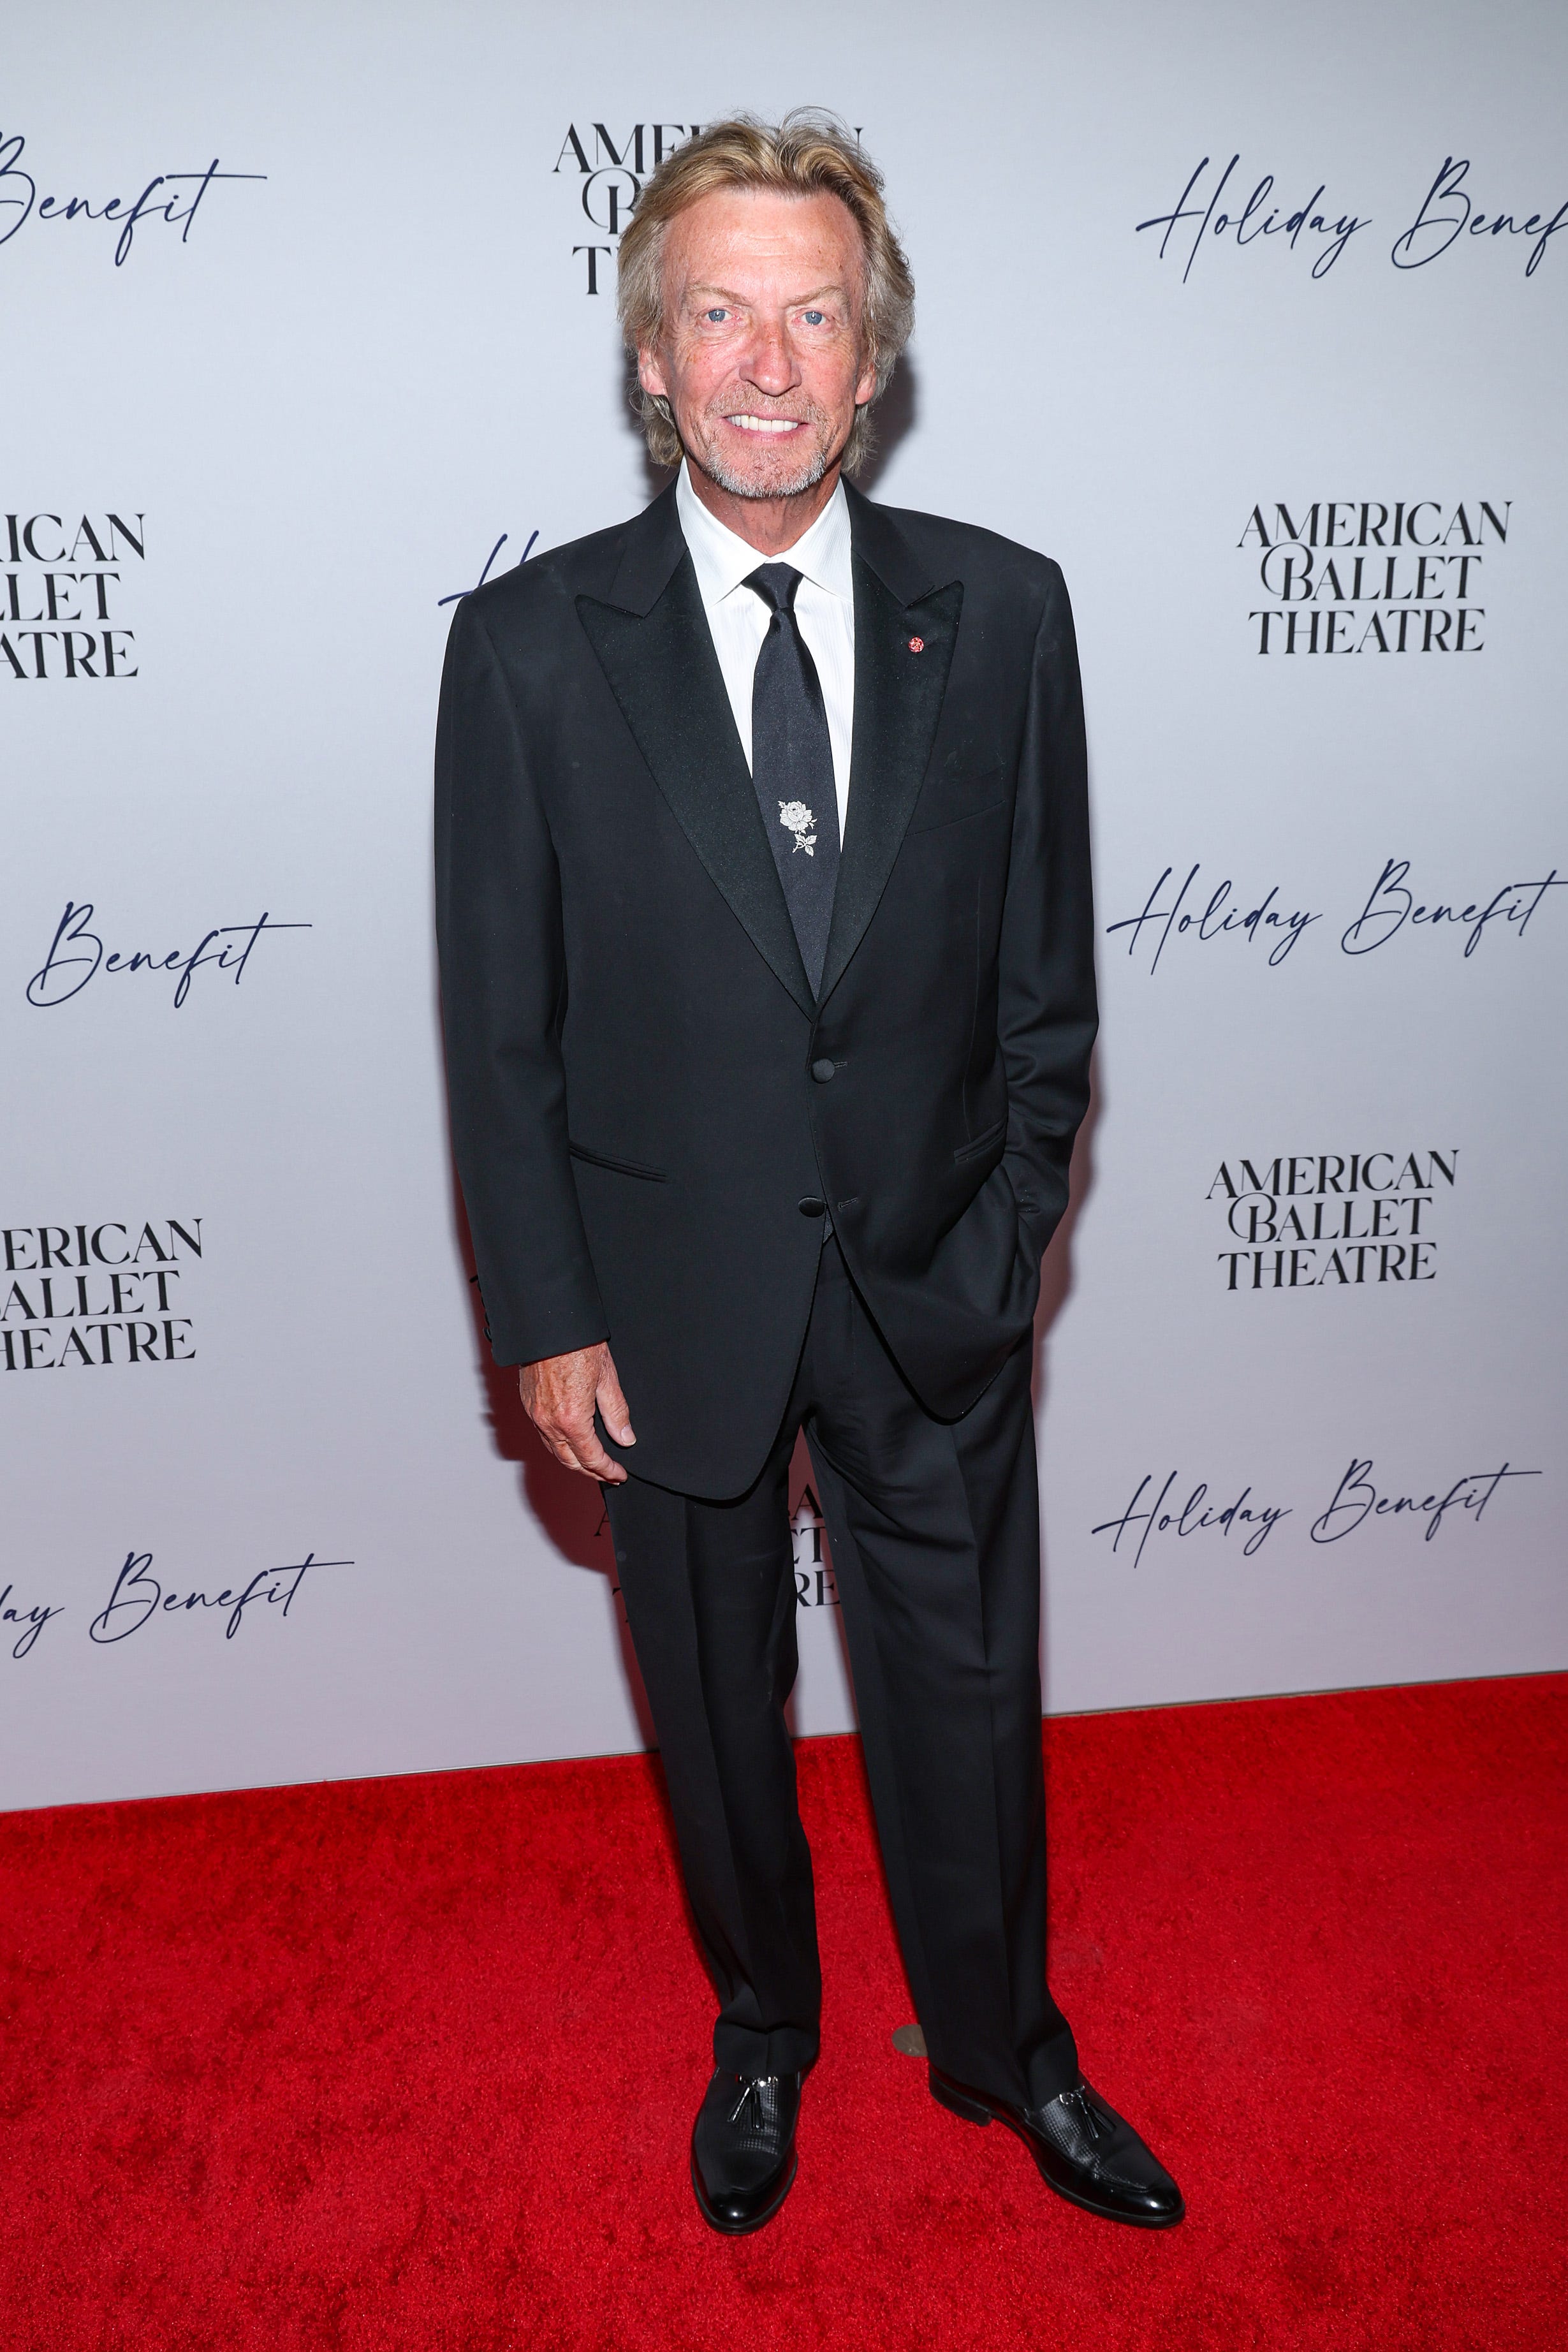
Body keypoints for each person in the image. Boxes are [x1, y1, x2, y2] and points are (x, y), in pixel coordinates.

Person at [435, 111, 1182, 2236]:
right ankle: (762, 2030)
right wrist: (549, 1313)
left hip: (931, 1276)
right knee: (715, 1715)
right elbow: (501, 1029)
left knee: (962, 1687)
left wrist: (1011, 1235)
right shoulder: (525, 649)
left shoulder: (1008, 614)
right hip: (661, 1305)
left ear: (878, 358)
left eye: (815, 314)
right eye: (718, 313)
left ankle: (1003, 2053)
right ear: (649, 358)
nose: (768, 362)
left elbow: (1049, 997)